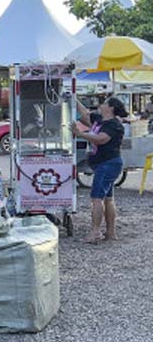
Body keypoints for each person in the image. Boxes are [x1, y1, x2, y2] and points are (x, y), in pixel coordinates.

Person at [70, 95, 127, 243]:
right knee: (108, 198)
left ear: (111, 108)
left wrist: (80, 134)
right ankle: (110, 232)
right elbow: (85, 114)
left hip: (108, 164)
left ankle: (95, 232)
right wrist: (73, 99)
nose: (101, 104)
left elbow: (101, 139)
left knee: (97, 198)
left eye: (105, 103)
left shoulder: (114, 125)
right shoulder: (100, 121)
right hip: (104, 164)